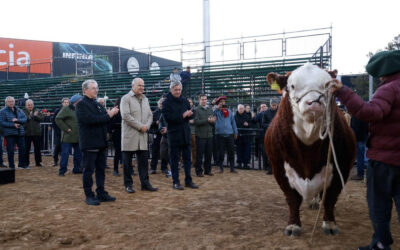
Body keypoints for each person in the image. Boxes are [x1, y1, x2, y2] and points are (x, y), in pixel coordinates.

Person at [331, 50, 400, 250]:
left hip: (385, 160)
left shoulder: (389, 89)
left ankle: (380, 243)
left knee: (379, 205)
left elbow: (371, 112)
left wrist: (342, 92)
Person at [75, 79, 119, 206]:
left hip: (101, 143)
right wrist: (109, 115)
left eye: (97, 87)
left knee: (100, 170)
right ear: (85, 90)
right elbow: (90, 120)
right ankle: (89, 195)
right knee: (88, 171)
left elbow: (104, 120)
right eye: (93, 88)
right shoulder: (82, 105)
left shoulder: (97, 104)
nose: (96, 90)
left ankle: (101, 192)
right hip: (90, 143)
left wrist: (113, 114)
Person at [120, 78, 158, 193]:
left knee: (143, 163)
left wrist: (146, 125)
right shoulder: (125, 98)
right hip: (130, 136)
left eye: (143, 85)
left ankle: (145, 184)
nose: (141, 87)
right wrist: (140, 126)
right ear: (133, 86)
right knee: (127, 164)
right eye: (139, 85)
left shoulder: (146, 99)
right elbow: (125, 116)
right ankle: (128, 185)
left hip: (142, 136)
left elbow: (150, 115)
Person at [162, 81, 198, 190]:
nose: (178, 91)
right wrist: (182, 115)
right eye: (176, 89)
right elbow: (168, 118)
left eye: (179, 89)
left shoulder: (185, 100)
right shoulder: (166, 102)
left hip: (185, 134)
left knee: (187, 160)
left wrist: (191, 114)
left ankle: (188, 181)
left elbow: (189, 116)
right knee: (174, 160)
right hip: (174, 135)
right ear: (171, 89)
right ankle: (176, 182)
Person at [55, 95, 82, 176]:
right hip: (67, 136)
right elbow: (58, 119)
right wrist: (66, 129)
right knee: (65, 154)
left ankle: (76, 169)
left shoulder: (80, 109)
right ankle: (62, 171)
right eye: (80, 100)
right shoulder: (66, 109)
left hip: (77, 136)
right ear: (76, 101)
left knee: (78, 154)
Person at [0, 96, 28, 169]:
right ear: (6, 103)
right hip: (10, 134)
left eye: (12, 101)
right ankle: (11, 165)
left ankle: (21, 164)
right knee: (10, 150)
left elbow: (25, 119)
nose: (11, 103)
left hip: (20, 132)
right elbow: (2, 122)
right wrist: (13, 125)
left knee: (22, 149)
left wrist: (18, 120)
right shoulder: (2, 111)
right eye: (9, 101)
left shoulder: (19, 110)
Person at [213, 96, 238, 173]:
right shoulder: (216, 112)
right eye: (221, 102)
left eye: (223, 102)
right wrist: (216, 107)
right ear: (218, 103)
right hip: (219, 134)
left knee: (231, 152)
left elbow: (233, 122)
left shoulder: (229, 111)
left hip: (229, 134)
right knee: (220, 152)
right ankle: (220, 167)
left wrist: (235, 132)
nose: (222, 103)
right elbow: (212, 114)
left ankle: (232, 168)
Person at [194, 94, 215, 176]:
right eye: (202, 99)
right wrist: (207, 120)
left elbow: (212, 122)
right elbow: (196, 122)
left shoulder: (210, 109)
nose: (204, 101)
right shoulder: (196, 110)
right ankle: (199, 171)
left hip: (209, 135)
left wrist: (213, 122)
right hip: (200, 136)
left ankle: (208, 170)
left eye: (205, 99)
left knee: (209, 154)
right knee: (199, 155)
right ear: (199, 100)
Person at [22, 99, 43, 167]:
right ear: (26, 105)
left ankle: (38, 162)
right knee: (26, 149)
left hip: (36, 133)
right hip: (26, 133)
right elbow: (23, 119)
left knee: (37, 148)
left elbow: (42, 118)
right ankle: (26, 162)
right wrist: (30, 116)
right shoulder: (22, 111)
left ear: (33, 105)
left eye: (31, 104)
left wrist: (36, 116)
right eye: (28, 105)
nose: (30, 106)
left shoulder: (37, 110)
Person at [261, 98, 279, 174]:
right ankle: (271, 168)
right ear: (270, 104)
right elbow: (263, 124)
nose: (274, 106)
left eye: (275, 105)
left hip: (279, 135)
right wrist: (271, 125)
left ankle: (279, 169)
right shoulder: (266, 113)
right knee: (270, 152)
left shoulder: (280, 111)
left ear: (277, 104)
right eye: (272, 105)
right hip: (270, 135)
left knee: (279, 153)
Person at [150, 98, 167, 174]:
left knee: (164, 152)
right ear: (158, 104)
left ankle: (164, 168)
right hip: (157, 134)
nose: (161, 105)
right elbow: (150, 123)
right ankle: (153, 168)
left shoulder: (167, 113)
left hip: (165, 135)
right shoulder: (155, 113)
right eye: (160, 104)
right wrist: (155, 122)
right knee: (155, 151)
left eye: (162, 104)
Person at [52, 98, 70, 166]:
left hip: (67, 132)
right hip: (59, 132)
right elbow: (54, 121)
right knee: (58, 146)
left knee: (66, 148)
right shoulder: (57, 110)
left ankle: (64, 161)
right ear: (62, 103)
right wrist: (57, 131)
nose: (66, 103)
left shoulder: (70, 110)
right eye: (65, 102)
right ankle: (55, 160)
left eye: (67, 102)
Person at [350, 116, 369, 181]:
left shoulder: (356, 116)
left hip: (358, 139)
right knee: (361, 156)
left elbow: (354, 128)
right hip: (363, 138)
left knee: (360, 157)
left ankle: (360, 174)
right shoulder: (364, 115)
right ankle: (361, 173)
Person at [235, 104, 252, 169]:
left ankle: (245, 164)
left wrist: (248, 124)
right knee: (239, 150)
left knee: (246, 151)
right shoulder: (235, 116)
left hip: (246, 136)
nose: (241, 110)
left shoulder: (247, 116)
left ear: (244, 109)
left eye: (242, 108)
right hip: (238, 136)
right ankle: (239, 163)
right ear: (237, 109)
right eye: (240, 108)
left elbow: (251, 124)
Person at [110, 97, 122, 176]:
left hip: (124, 133)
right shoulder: (115, 111)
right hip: (117, 133)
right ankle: (115, 169)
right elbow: (111, 123)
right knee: (117, 152)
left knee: (128, 152)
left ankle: (129, 169)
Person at [188, 98, 196, 167]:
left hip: (193, 131)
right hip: (185, 132)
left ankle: (194, 162)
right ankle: (186, 162)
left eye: (190, 102)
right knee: (186, 148)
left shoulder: (195, 110)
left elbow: (195, 120)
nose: (189, 103)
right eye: (188, 102)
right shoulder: (183, 110)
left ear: (192, 103)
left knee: (194, 148)